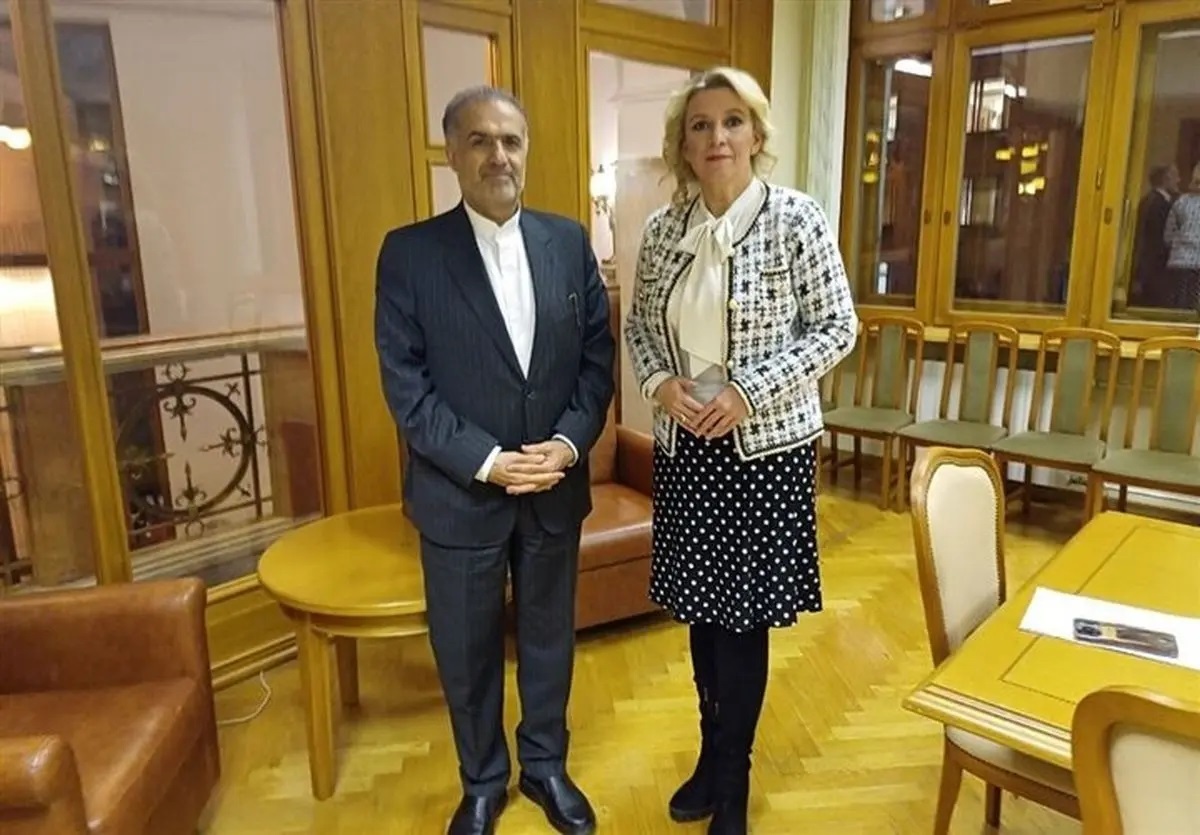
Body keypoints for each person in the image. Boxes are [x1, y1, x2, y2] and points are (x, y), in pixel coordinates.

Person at [624, 67, 858, 835]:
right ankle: (709, 753)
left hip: (763, 453)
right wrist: (660, 385)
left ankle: (734, 780)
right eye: (701, 124)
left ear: (756, 134)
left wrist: (749, 391)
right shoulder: (664, 230)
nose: (717, 137)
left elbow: (837, 327)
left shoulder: (796, 218)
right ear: (683, 144)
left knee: (742, 618)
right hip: (687, 447)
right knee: (700, 610)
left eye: (732, 121)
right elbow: (639, 328)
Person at [375, 86, 614, 835]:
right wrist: (486, 461)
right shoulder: (410, 253)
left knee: (548, 638)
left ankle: (545, 766)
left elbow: (596, 363)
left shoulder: (568, 242)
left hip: (552, 488)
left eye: (510, 140)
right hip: (461, 494)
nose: (498, 155)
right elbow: (406, 386)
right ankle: (481, 781)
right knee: (466, 648)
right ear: (452, 153)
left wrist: (568, 445)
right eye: (479, 140)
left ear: (526, 149)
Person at [1130, 164, 1178, 308]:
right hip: (1155, 268)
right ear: (1166, 178)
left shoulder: (1148, 200)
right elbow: (1155, 239)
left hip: (1147, 267)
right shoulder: (1160, 205)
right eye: (1175, 176)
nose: (1178, 180)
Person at [1164, 162, 1200, 315]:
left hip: (1177, 261)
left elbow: (1168, 235)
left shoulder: (1181, 202)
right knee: (1194, 309)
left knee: (1177, 307)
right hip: (1197, 265)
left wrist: (1177, 246)